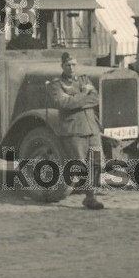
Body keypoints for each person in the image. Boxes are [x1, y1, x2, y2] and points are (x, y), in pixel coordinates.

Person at [48, 52, 105, 210]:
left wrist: (78, 99)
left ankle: (91, 196)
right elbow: (63, 103)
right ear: (62, 66)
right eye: (68, 65)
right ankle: (84, 195)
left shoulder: (84, 79)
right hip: (74, 129)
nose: (71, 68)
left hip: (92, 128)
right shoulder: (57, 84)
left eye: (74, 64)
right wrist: (84, 95)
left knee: (96, 162)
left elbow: (96, 98)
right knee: (79, 164)